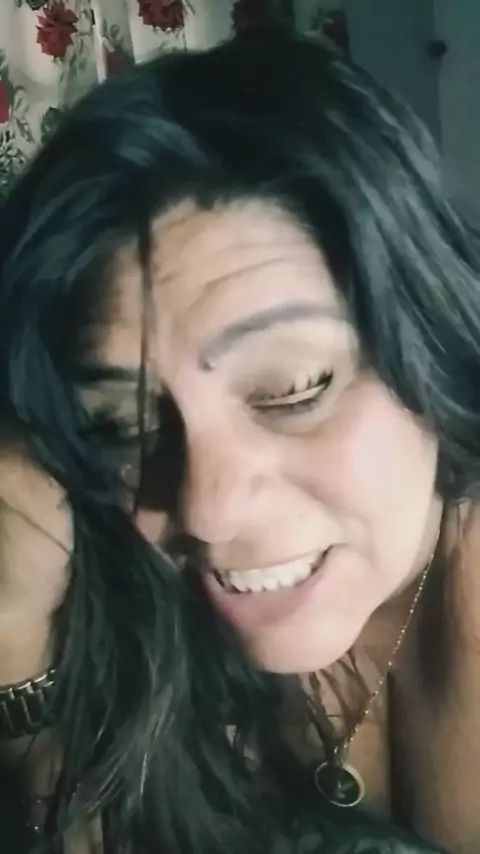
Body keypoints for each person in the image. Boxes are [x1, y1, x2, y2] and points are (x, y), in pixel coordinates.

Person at [0, 22, 477, 854]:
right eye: (124, 426)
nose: (207, 510)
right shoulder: (117, 584)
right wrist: (16, 641)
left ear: (429, 334)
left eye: (294, 389)